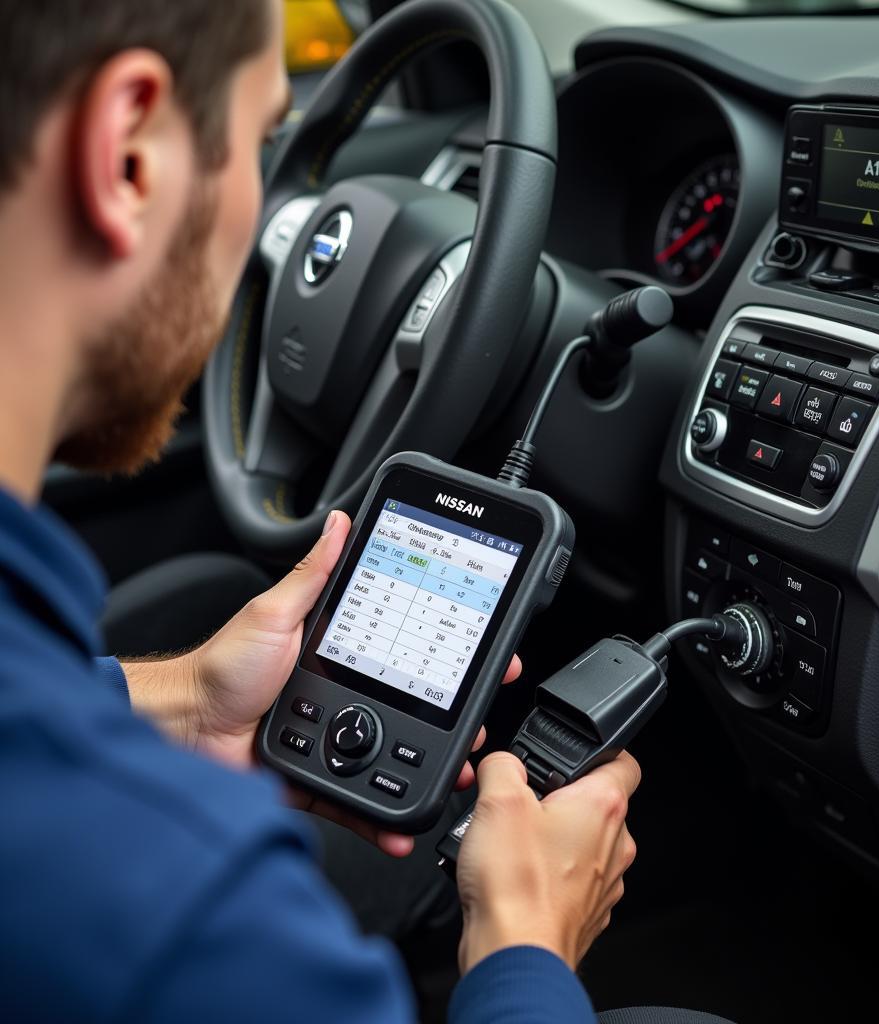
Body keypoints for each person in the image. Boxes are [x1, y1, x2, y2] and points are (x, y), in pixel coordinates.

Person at [0, 2, 644, 1021]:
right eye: (264, 141)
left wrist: (179, 697)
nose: (284, 222)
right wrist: (525, 944)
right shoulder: (191, 914)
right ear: (127, 154)